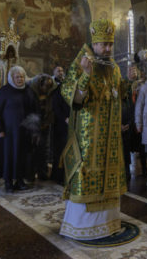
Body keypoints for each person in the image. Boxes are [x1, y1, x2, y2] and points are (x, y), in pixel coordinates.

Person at [59, 19, 127, 240]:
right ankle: (81, 227)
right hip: (89, 135)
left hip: (110, 136)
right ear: (94, 43)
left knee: (109, 172)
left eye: (110, 44)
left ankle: (108, 224)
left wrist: (130, 82)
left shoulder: (114, 68)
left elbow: (117, 94)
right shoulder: (82, 61)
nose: (107, 49)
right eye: (102, 44)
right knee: (86, 171)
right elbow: (73, 98)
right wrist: (86, 75)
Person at [0, 66, 38, 192]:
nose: (20, 79)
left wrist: (34, 130)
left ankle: (20, 181)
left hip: (25, 132)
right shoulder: (4, 91)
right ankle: (8, 182)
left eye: (22, 76)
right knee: (9, 156)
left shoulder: (28, 91)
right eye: (17, 77)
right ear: (12, 78)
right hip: (8, 132)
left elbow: (34, 110)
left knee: (22, 157)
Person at [27, 74, 55, 181]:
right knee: (32, 150)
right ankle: (30, 175)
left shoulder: (48, 91)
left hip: (45, 124)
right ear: (40, 85)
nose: (47, 89)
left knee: (43, 150)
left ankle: (42, 173)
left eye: (49, 87)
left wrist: (47, 121)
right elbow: (30, 109)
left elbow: (49, 107)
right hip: (33, 124)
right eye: (45, 87)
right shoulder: (31, 90)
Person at [50, 66, 70, 184]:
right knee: (59, 150)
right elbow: (56, 108)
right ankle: (58, 176)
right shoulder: (56, 89)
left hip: (70, 124)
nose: (61, 73)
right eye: (58, 71)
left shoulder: (69, 89)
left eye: (63, 71)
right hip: (60, 124)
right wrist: (64, 118)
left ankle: (66, 175)